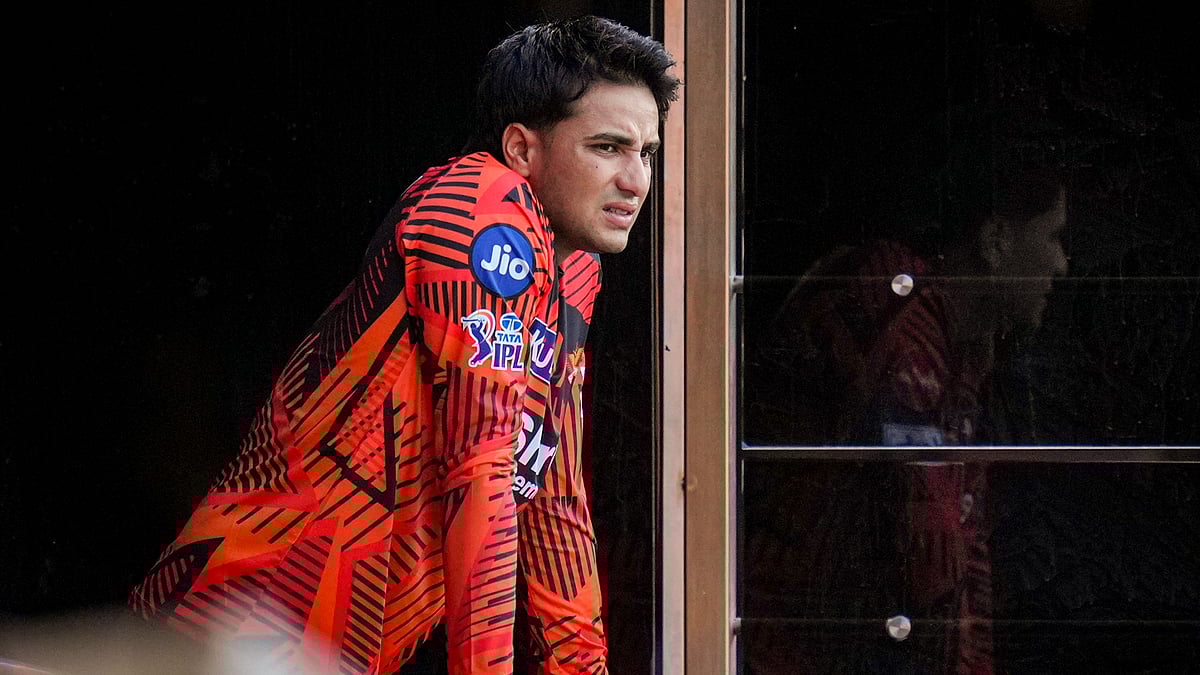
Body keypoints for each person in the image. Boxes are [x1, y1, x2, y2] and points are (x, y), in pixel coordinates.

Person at [128, 16, 678, 674]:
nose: (636, 179)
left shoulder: (575, 267)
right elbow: (482, 470)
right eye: (608, 147)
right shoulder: (482, 206)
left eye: (645, 152)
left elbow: (554, 495)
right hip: (228, 634)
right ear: (522, 149)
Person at [744, 155, 1068, 674]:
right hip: (794, 633)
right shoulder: (902, 325)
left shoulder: (963, 350)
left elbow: (963, 536)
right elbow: (928, 545)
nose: (1062, 264)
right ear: (997, 242)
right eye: (1052, 237)